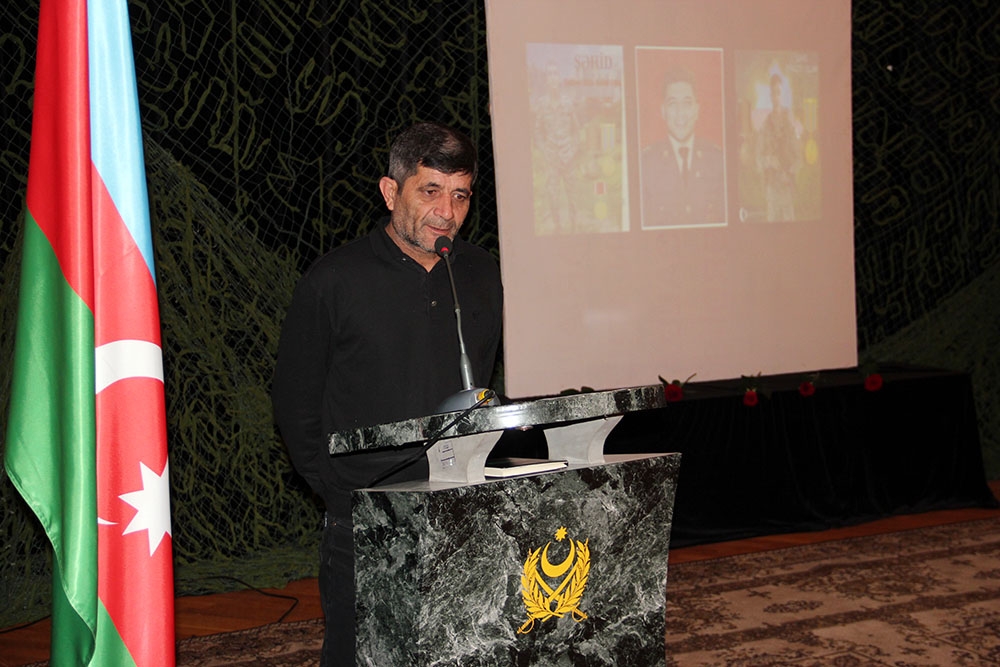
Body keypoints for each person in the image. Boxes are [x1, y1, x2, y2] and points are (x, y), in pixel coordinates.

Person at [271, 122, 503, 666]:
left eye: (460, 195)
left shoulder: (479, 272)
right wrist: (336, 489)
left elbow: (483, 384)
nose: (446, 211)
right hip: (366, 515)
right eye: (430, 191)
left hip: (461, 506)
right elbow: (295, 400)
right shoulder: (334, 279)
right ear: (390, 191)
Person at [641, 66, 725, 226]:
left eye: (687, 103)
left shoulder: (717, 160)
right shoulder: (646, 163)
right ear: (663, 111)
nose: (680, 113)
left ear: (697, 110)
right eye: (673, 104)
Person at [756, 73, 802, 221]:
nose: (776, 97)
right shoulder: (765, 125)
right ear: (770, 95)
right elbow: (758, 159)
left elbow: (799, 156)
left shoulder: (789, 122)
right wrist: (769, 160)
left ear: (782, 94)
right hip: (772, 188)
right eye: (773, 93)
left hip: (786, 186)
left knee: (790, 226)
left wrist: (790, 171)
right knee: (772, 226)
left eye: (779, 93)